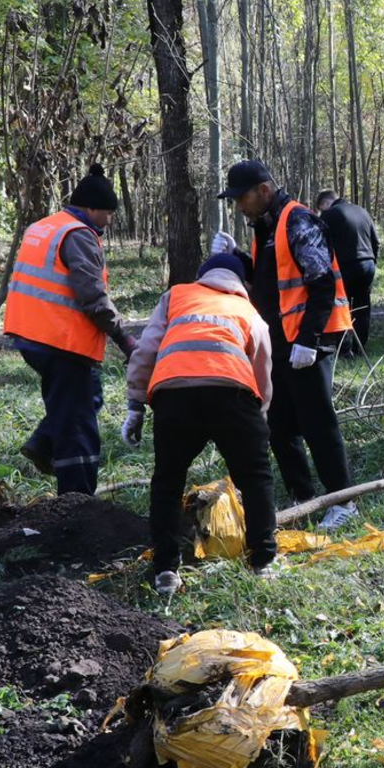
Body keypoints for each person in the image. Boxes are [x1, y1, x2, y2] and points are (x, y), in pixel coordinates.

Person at [214, 159, 358, 531]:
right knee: (279, 426)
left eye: (242, 197)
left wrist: (308, 340)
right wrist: (236, 257)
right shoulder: (265, 226)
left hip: (308, 340)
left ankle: (342, 500)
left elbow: (321, 282)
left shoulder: (298, 220)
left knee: (317, 422)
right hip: (278, 342)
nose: (239, 206)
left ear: (264, 190)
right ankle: (303, 497)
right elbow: (269, 279)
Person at [122, 253, 277, 596]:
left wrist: (136, 404)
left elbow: (146, 351)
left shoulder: (176, 296)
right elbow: (263, 367)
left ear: (201, 276)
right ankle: (262, 561)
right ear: (241, 282)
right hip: (232, 396)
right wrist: (260, 416)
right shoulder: (247, 309)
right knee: (255, 477)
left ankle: (165, 570)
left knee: (167, 481)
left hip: (174, 397)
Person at [4, 164, 135, 495]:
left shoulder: (46, 226)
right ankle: (76, 503)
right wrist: (124, 339)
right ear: (91, 208)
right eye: (108, 212)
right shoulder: (78, 235)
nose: (109, 219)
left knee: (85, 397)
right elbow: (93, 297)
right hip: (60, 341)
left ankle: (43, 442)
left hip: (32, 337)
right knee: (77, 426)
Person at [316, 189, 379, 357]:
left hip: (345, 266)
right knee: (362, 306)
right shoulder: (362, 211)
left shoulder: (330, 215)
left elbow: (319, 243)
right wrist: (373, 262)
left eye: (322, 208)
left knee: (341, 307)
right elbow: (376, 241)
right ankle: (360, 348)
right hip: (367, 263)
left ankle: (344, 349)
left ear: (326, 203)